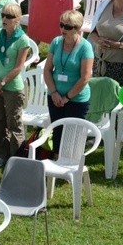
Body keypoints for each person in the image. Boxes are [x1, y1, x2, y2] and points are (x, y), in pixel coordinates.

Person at [0, 3, 30, 164]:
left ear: (18, 19)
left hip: (12, 88)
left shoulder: (23, 39)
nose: (4, 18)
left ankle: (16, 159)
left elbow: (18, 67)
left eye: (9, 16)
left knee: (14, 124)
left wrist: (1, 83)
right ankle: (0, 155)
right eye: (3, 15)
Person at [43, 10, 94, 153]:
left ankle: (72, 168)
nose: (63, 29)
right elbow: (47, 70)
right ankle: (57, 164)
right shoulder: (56, 42)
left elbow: (85, 77)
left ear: (77, 29)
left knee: (72, 137)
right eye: (61, 25)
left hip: (76, 99)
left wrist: (66, 98)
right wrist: (54, 93)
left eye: (68, 27)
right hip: (55, 96)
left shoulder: (85, 47)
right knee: (57, 133)